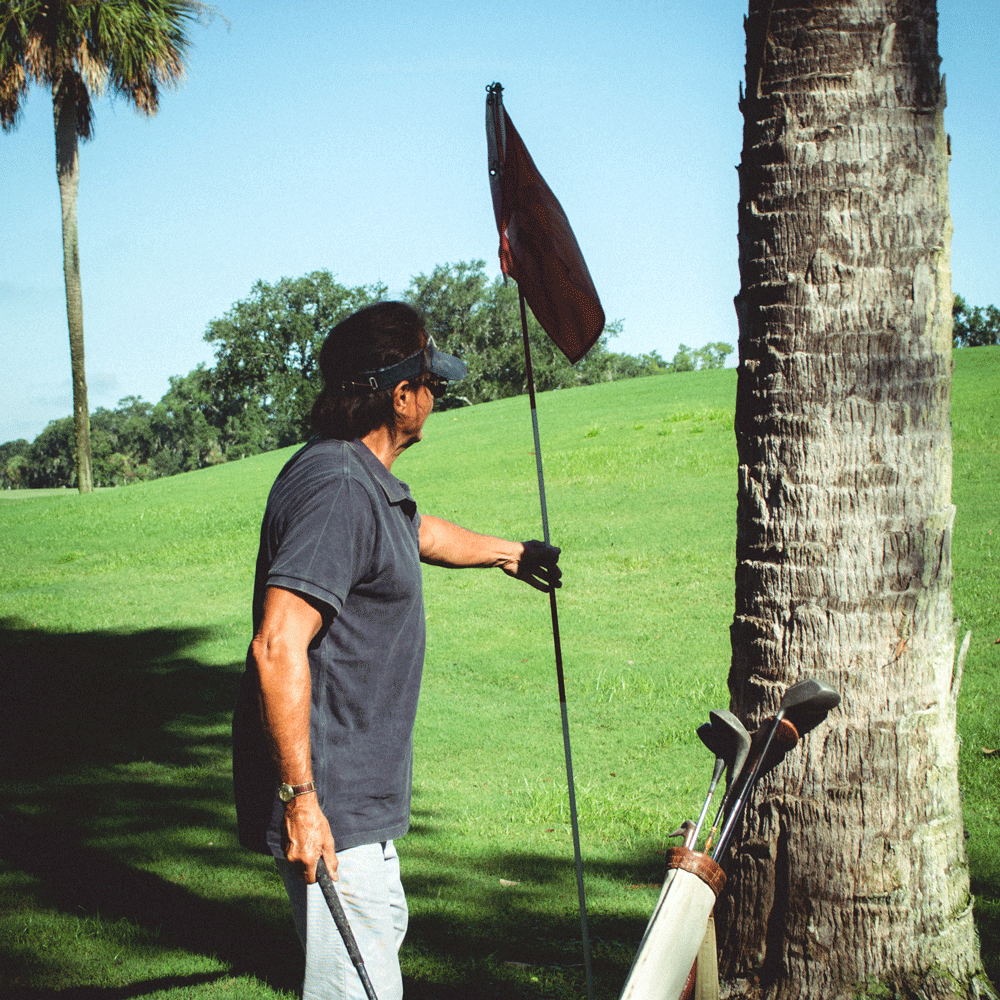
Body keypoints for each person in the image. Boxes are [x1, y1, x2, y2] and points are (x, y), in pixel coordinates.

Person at [232, 301, 560, 1000]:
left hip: (352, 804)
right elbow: (277, 643)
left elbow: (417, 533)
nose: (437, 395)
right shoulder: (342, 489)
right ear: (400, 395)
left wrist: (511, 553)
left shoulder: (360, 481)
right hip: (332, 808)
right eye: (431, 382)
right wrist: (300, 801)